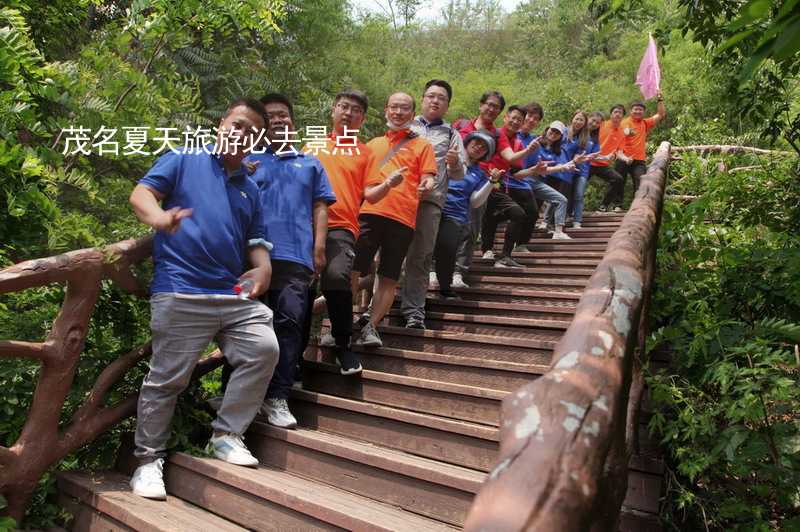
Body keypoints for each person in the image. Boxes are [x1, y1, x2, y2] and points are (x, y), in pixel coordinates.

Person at [128, 98, 280, 499]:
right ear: (221, 124)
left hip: (231, 293)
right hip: (181, 289)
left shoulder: (249, 187)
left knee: (264, 348)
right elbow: (142, 194)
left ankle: (226, 435)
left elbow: (257, 240)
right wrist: (159, 218)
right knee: (167, 380)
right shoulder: (184, 158)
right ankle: (147, 462)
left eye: (251, 130)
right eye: (237, 123)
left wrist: (263, 268)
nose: (241, 132)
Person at [226, 93, 336, 430]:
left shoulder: (310, 163)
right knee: (241, 327)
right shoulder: (248, 161)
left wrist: (319, 247)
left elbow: (321, 207)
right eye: (271, 116)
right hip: (249, 259)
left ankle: (278, 396)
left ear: (293, 123)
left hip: (294, 257)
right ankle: (235, 395)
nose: (277, 120)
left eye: (283, 115)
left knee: (288, 326)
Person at [352, 92, 437, 348]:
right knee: (352, 272)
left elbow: (430, 176)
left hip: (402, 218)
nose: (399, 113)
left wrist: (427, 184)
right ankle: (341, 323)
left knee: (389, 277)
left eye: (405, 109)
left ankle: (371, 327)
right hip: (369, 213)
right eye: (394, 108)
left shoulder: (423, 145)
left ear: (412, 114)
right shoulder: (372, 144)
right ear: (386, 110)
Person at [312, 89, 378, 374]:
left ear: (361, 119)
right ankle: (295, 362)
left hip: (341, 226)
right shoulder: (313, 145)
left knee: (337, 278)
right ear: (333, 110)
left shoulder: (364, 153)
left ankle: (343, 346)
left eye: (354, 110)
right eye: (343, 107)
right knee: (299, 290)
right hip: (305, 225)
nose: (347, 113)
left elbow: (370, 191)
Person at [398, 79, 466, 329]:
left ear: (447, 105)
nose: (435, 100)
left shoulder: (452, 134)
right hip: (398, 201)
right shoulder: (405, 126)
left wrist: (455, 163)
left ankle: (414, 311)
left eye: (441, 98)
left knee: (421, 256)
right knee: (390, 255)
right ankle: (376, 307)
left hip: (429, 204)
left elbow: (459, 175)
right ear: (423, 99)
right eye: (431, 96)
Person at [457, 92, 539, 268]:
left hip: (488, 183)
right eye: (513, 118)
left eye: (520, 120)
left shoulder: (501, 136)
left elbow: (511, 161)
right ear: (506, 116)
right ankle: (483, 253)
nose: (516, 122)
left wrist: (530, 158)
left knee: (476, 225)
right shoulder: (464, 128)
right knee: (458, 224)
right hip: (463, 180)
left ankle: (464, 267)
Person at [434, 131, 497, 297]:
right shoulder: (447, 159)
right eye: (476, 143)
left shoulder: (480, 174)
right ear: (467, 143)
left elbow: (475, 201)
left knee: (447, 250)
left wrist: (491, 183)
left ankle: (445, 287)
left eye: (483, 148)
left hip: (456, 214)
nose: (478, 147)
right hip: (434, 207)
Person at [617, 91, 666, 196]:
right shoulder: (624, 122)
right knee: (619, 181)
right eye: (635, 109)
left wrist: (660, 99)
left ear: (643, 112)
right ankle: (617, 205)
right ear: (631, 111)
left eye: (640, 110)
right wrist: (627, 132)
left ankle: (638, 205)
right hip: (623, 157)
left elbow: (661, 114)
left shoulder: (645, 123)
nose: (638, 111)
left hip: (639, 159)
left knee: (640, 183)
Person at [565, 110, 599, 228]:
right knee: (564, 194)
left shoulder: (588, 137)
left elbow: (595, 154)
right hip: (567, 169)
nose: (578, 122)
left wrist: (607, 157)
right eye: (577, 118)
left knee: (579, 194)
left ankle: (577, 220)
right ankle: (559, 219)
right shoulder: (566, 132)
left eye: (581, 120)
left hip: (582, 171)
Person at [590, 105, 627, 212]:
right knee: (578, 184)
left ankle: (604, 205)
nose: (618, 114)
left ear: (623, 117)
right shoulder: (601, 125)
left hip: (603, 164)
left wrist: (625, 158)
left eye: (620, 113)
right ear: (611, 114)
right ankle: (570, 209)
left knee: (618, 179)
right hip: (589, 162)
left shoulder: (621, 132)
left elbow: (620, 151)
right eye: (615, 111)